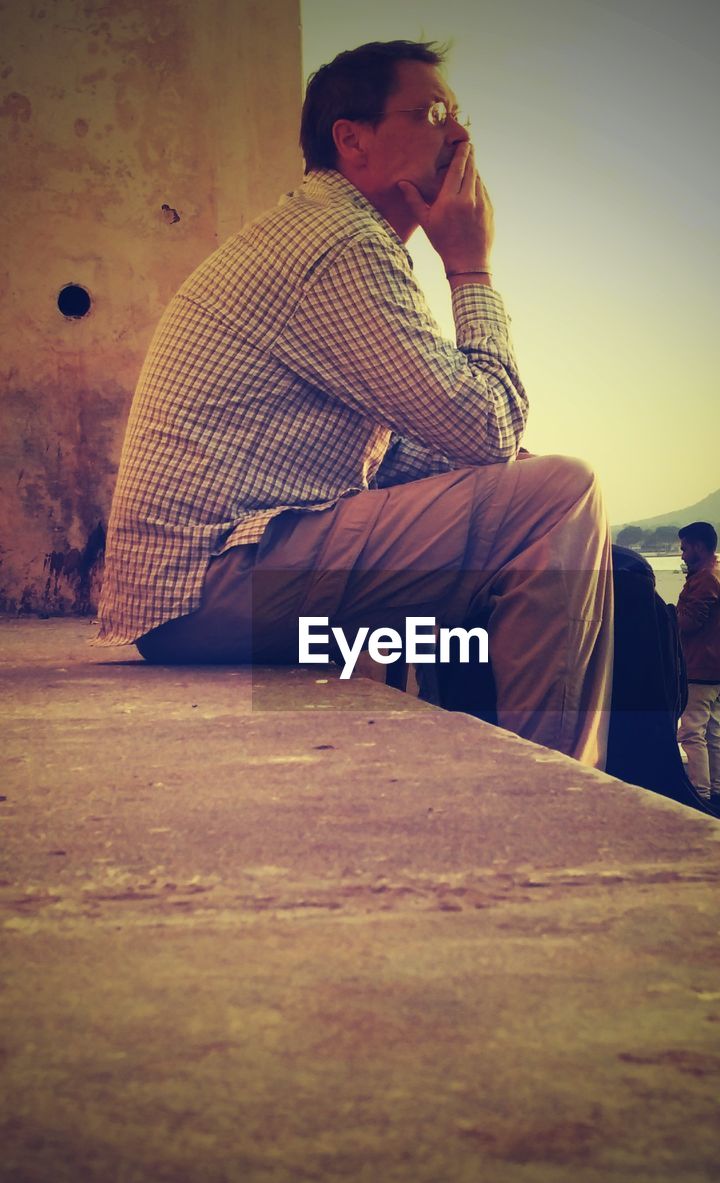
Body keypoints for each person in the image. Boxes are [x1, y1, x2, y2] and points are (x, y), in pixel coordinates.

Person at [98, 39, 613, 767]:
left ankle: (459, 760)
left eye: (460, 116)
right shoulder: (340, 243)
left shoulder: (320, 232)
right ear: (353, 139)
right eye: (433, 112)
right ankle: (559, 787)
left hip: (193, 592)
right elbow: (486, 427)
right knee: (564, 495)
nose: (460, 136)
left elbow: (411, 452)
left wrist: (498, 467)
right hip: (214, 585)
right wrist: (470, 265)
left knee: (523, 500)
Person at [676, 521, 720, 805]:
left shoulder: (704, 579)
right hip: (715, 670)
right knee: (713, 733)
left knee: (691, 733)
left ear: (698, 547)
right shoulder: (715, 573)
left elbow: (689, 622)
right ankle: (715, 791)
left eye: (684, 548)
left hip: (700, 669)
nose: (681, 555)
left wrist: (666, 615)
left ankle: (700, 796)